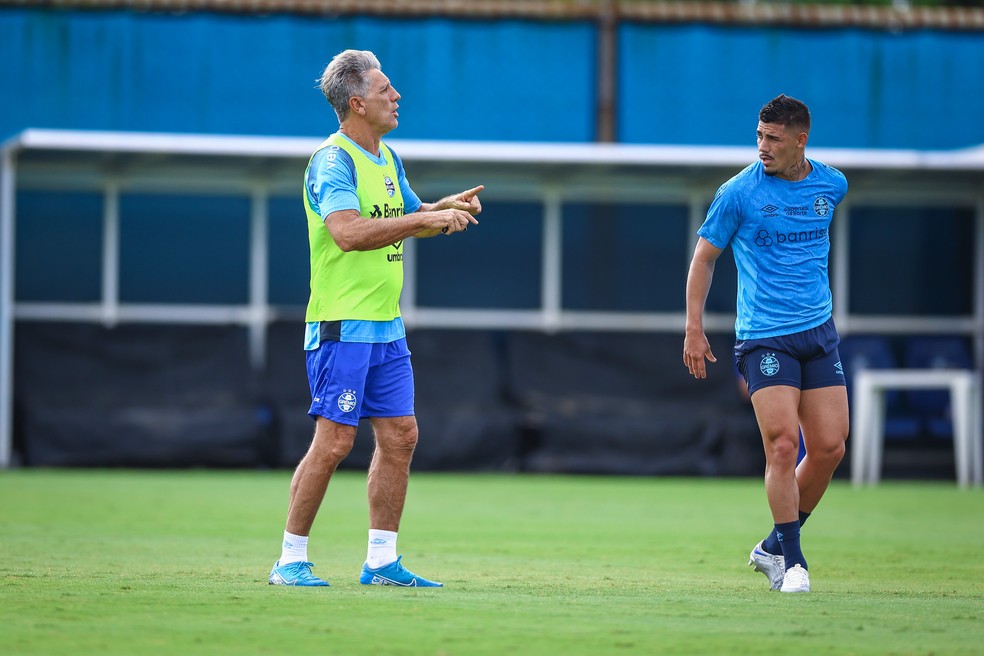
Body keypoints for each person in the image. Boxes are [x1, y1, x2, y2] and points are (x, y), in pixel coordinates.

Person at [269, 49, 483, 588]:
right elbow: (348, 232)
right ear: (358, 102)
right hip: (341, 324)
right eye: (386, 89)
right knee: (335, 441)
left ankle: (382, 562)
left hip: (386, 325)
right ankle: (290, 560)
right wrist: (421, 222)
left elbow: (412, 216)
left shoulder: (387, 158)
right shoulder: (332, 161)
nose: (397, 96)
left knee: (402, 435)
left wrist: (442, 210)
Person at [683, 94, 848, 594]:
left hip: (818, 333)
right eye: (759, 135)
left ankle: (772, 544)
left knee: (829, 447)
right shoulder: (737, 193)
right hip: (764, 337)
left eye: (773, 138)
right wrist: (694, 327)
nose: (762, 146)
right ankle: (792, 563)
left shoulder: (832, 184)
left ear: (801, 140)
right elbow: (704, 259)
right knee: (781, 445)